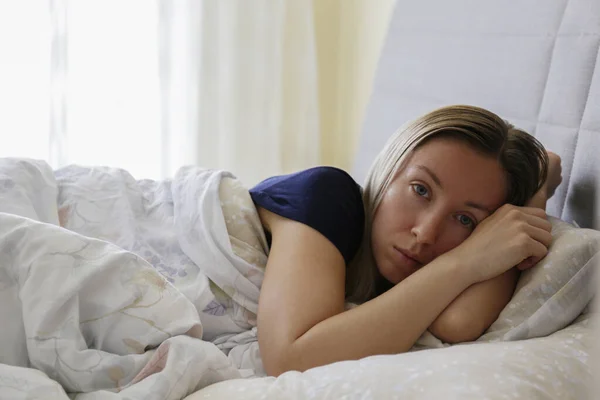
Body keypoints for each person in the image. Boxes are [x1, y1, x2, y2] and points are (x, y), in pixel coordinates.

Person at [248, 105, 563, 377]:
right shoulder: (326, 195)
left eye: (465, 220)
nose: (426, 233)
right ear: (390, 169)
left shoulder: (404, 285)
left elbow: (459, 323)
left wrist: (532, 201)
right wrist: (463, 261)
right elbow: (290, 358)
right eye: (421, 190)